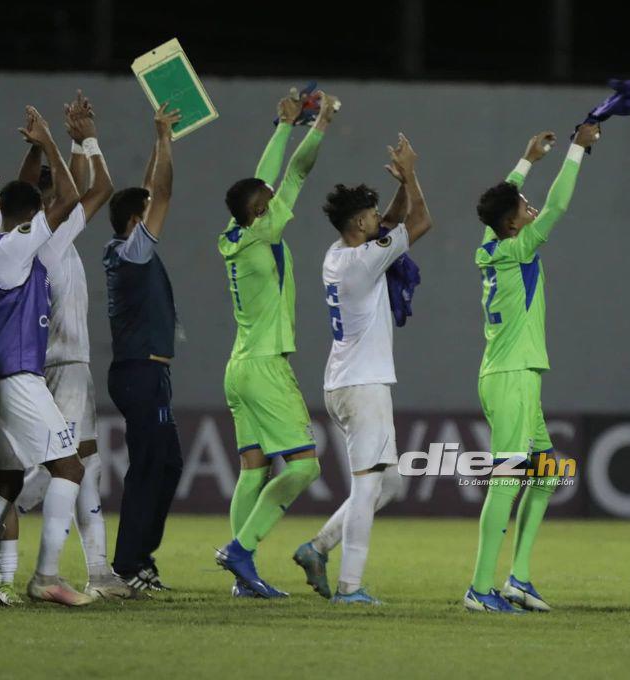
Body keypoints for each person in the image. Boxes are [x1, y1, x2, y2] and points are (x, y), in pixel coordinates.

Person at [462, 124, 600, 614]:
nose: (531, 207)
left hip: (512, 374)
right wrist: (575, 150)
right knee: (508, 479)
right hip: (512, 377)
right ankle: (480, 588)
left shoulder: (493, 242)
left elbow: (500, 203)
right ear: (514, 224)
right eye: (524, 207)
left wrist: (526, 162)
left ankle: (518, 578)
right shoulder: (520, 247)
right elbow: (559, 207)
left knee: (545, 475)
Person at [293, 134, 432, 605]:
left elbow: (390, 224)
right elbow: (420, 221)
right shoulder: (362, 263)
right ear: (358, 223)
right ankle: (350, 588)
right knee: (369, 482)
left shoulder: (338, 255)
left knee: (389, 483)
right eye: (370, 214)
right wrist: (411, 176)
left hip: (346, 380)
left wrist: (399, 187)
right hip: (362, 385)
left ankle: (317, 548)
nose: (378, 219)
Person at [214, 89, 337, 598]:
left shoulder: (235, 233)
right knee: (305, 466)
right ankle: (241, 550)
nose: (273, 200)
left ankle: (243, 578)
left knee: (254, 469)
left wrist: (285, 125)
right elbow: (297, 174)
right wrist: (321, 123)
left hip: (238, 366)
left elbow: (263, 182)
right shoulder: (264, 232)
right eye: (266, 202)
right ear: (260, 211)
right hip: (264, 366)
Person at [0, 107, 90, 606]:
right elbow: (66, 199)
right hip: (17, 375)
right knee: (69, 468)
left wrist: (32, 149)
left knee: (4, 482)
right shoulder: (13, 248)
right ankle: (46, 576)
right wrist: (49, 142)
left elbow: (20, 197)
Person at [103, 103, 184, 591]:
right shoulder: (133, 253)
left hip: (148, 373)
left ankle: (140, 559)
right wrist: (166, 142)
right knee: (148, 468)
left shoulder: (125, 248)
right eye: (146, 212)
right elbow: (163, 193)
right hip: (140, 374)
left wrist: (159, 140)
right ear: (137, 220)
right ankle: (128, 565)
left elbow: (151, 191)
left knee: (167, 465)